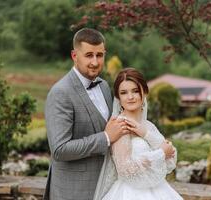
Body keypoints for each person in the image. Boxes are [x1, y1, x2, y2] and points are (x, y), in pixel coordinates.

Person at [43, 28, 130, 200]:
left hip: (106, 188)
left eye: (100, 55)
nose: (95, 62)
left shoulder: (105, 86)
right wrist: (105, 138)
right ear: (75, 56)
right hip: (72, 191)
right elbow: (60, 149)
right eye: (89, 55)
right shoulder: (61, 92)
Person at [93, 68, 183, 200]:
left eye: (135, 91)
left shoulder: (148, 126)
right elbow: (125, 169)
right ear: (118, 98)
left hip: (158, 190)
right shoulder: (120, 125)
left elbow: (172, 157)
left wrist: (145, 133)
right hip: (129, 193)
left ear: (144, 92)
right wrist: (160, 154)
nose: (130, 97)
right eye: (124, 93)